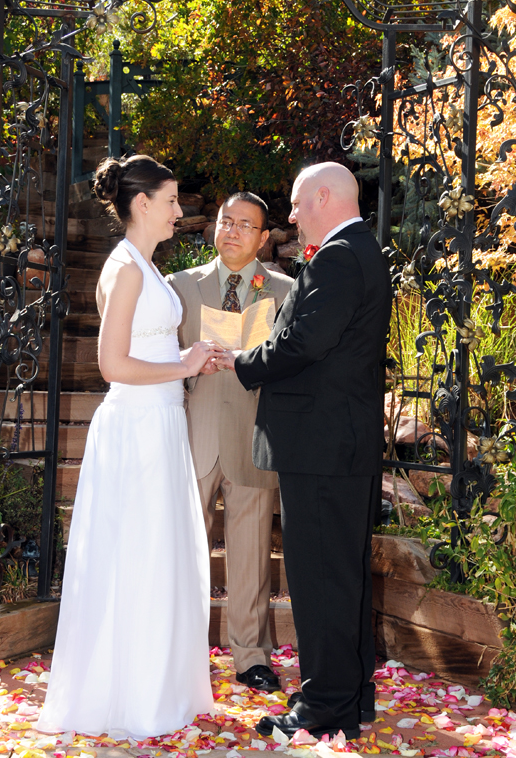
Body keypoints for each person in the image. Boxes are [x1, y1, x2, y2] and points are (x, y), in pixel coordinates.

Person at [37, 155, 220, 739]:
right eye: (170, 200)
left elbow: (152, 352)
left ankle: (157, 687)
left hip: (159, 425)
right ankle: (132, 698)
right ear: (141, 204)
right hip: (137, 431)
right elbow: (111, 364)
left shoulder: (145, 264)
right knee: (136, 557)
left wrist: (190, 363)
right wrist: (184, 363)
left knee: (157, 556)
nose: (178, 210)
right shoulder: (130, 269)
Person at [216, 163, 392, 740]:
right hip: (338, 444)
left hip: (320, 446)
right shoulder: (363, 251)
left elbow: (305, 341)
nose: (290, 216)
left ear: (323, 197)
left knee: (320, 579)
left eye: (295, 204)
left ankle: (321, 707)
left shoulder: (340, 257)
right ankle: (352, 697)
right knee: (343, 577)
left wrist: (242, 362)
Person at [167, 193, 292, 693]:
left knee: (252, 554)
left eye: (246, 224)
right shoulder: (180, 287)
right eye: (226, 221)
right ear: (213, 229)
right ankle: (177, 649)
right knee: (181, 550)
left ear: (263, 238)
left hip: (255, 436)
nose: (233, 230)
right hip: (192, 432)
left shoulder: (285, 289)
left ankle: (251, 656)